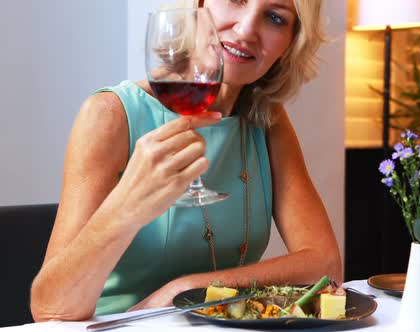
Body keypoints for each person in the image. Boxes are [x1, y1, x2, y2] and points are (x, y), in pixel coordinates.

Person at [30, 0, 341, 322]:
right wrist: (128, 205)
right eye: (236, 0)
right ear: (199, 4)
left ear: (291, 42)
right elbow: (51, 310)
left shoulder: (266, 120)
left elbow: (325, 265)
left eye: (275, 18)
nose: (247, 29)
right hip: (116, 326)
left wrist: (188, 289)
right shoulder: (110, 114)